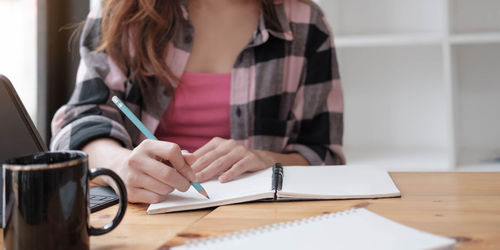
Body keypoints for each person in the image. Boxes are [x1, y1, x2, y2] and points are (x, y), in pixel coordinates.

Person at [51, 0, 345, 204]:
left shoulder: (306, 23)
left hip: (260, 221)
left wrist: (265, 160)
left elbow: (325, 154)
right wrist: (119, 164)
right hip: (144, 215)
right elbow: (78, 123)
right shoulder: (122, 11)